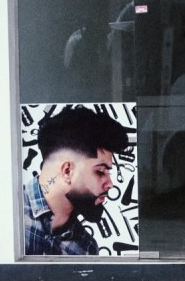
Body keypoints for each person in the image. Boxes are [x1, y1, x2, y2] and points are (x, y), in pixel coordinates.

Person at [25, 106, 130, 256]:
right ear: (67, 171)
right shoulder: (9, 215)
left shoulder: (86, 249)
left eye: (109, 172)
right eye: (100, 171)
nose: (110, 184)